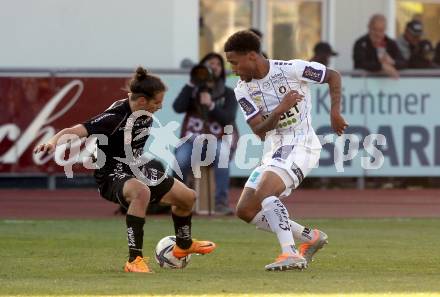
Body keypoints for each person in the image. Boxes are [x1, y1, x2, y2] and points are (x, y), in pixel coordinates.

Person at [34, 67, 216, 273]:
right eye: (157, 102)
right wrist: (52, 141)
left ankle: (183, 245)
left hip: (136, 168)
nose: (161, 106)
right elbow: (75, 130)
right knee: (141, 192)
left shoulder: (142, 109)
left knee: (188, 197)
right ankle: (134, 260)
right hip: (112, 175)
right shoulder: (114, 117)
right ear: (141, 102)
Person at [224, 30, 348, 271]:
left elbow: (332, 76)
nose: (233, 69)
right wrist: (280, 110)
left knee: (266, 193)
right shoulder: (243, 90)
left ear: (251, 56)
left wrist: (335, 111)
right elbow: (259, 131)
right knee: (245, 210)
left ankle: (290, 253)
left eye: (234, 62)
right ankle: (310, 237)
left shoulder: (292, 69)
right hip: (275, 147)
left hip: (301, 144)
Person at [173, 53, 238, 215]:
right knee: (180, 160)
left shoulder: (228, 93)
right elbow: (177, 107)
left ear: (222, 69)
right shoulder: (192, 91)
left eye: (217, 64)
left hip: (215, 140)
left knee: (222, 155)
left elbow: (228, 118)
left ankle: (221, 203)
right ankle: (179, 201)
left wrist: (211, 106)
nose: (214, 66)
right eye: (210, 63)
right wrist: (191, 83)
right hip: (190, 140)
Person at [353, 14, 406, 78]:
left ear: (385, 30)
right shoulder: (361, 43)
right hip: (363, 84)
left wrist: (392, 62)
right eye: (374, 29)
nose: (377, 34)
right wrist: (382, 66)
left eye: (381, 30)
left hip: (386, 84)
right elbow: (360, 63)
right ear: (369, 27)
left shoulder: (390, 43)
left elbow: (404, 63)